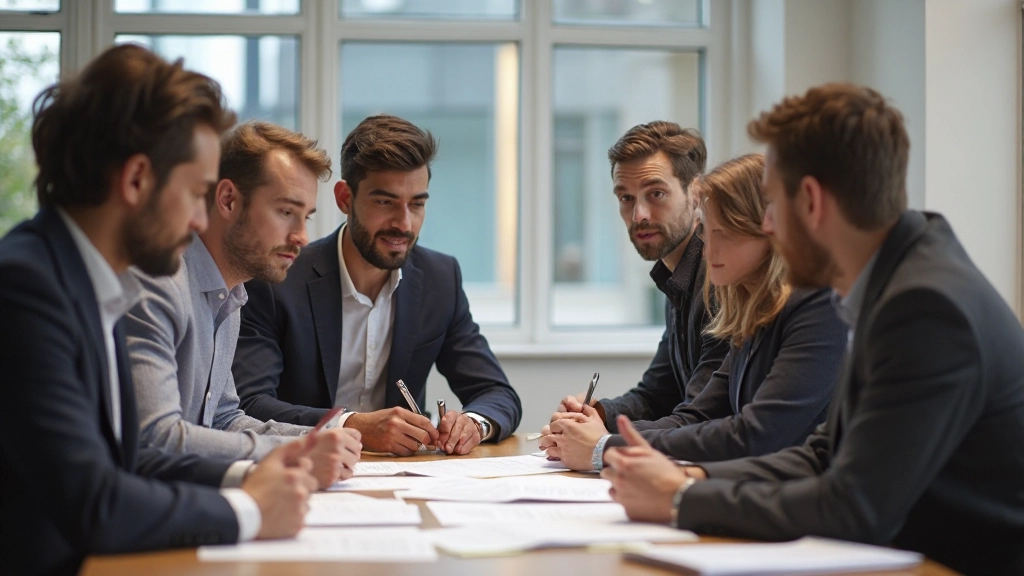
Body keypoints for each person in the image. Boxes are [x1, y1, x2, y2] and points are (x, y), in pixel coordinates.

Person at [601, 84, 1024, 575]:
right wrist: (690, 475)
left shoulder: (923, 308)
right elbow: (825, 453)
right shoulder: (895, 278)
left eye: (772, 206)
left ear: (812, 202)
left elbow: (853, 508)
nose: (769, 229)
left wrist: (682, 499)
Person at [0, 45, 319, 576]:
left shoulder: (88, 280)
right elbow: (96, 503)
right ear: (135, 181)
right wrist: (248, 508)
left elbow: (135, 458)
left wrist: (249, 478)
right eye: (196, 194)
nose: (201, 221)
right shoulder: (27, 287)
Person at [233, 114, 521, 456]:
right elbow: (250, 404)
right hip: (309, 469)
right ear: (345, 198)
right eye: (385, 202)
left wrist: (474, 423)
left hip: (406, 476)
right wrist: (353, 425)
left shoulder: (440, 279)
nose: (404, 223)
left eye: (416, 204)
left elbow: (499, 394)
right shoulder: (277, 279)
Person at [543, 154, 846, 471]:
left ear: (771, 231)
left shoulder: (820, 305)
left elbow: (755, 434)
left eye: (724, 234)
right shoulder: (751, 310)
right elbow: (701, 413)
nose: (709, 249)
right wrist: (593, 433)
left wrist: (603, 446)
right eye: (707, 232)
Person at [125, 121, 362, 488]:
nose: (301, 236)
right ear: (228, 200)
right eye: (286, 212)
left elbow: (222, 418)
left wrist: (316, 441)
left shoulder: (231, 295)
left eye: (306, 217)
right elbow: (157, 438)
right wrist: (291, 453)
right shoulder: (159, 283)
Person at [541, 122, 731, 440]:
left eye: (655, 194)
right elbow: (655, 395)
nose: (638, 214)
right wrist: (595, 415)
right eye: (626, 198)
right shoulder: (677, 278)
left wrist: (601, 442)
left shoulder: (720, 279)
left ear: (696, 194)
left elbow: (702, 415)